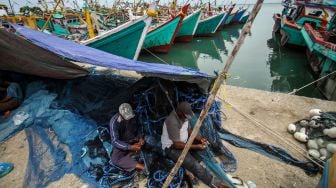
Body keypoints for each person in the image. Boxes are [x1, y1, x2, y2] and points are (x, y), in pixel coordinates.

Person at [161, 101, 229, 188]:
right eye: (186, 115)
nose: (187, 117)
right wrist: (196, 146)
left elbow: (188, 130)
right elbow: (177, 145)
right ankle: (216, 184)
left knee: (204, 145)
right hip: (172, 148)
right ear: (180, 112)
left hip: (183, 142)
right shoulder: (172, 122)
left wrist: (200, 139)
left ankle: (195, 165)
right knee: (195, 166)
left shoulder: (183, 117)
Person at [109, 103, 144, 172]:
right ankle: (141, 166)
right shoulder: (114, 122)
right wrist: (129, 147)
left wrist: (140, 137)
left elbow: (140, 126)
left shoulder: (135, 114)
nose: (128, 119)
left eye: (130, 117)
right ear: (120, 114)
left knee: (150, 142)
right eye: (126, 118)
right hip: (124, 143)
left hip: (135, 138)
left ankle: (132, 153)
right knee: (115, 159)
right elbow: (115, 141)